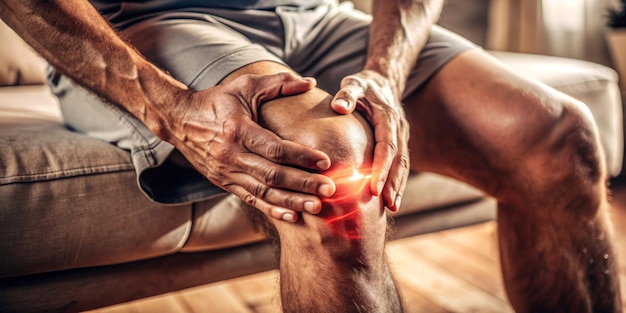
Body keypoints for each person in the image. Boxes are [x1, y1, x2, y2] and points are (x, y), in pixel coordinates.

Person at [0, 0, 622, 311]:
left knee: (561, 135)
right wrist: (170, 108)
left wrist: (384, 72)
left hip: (316, 18)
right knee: (330, 167)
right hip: (147, 23)